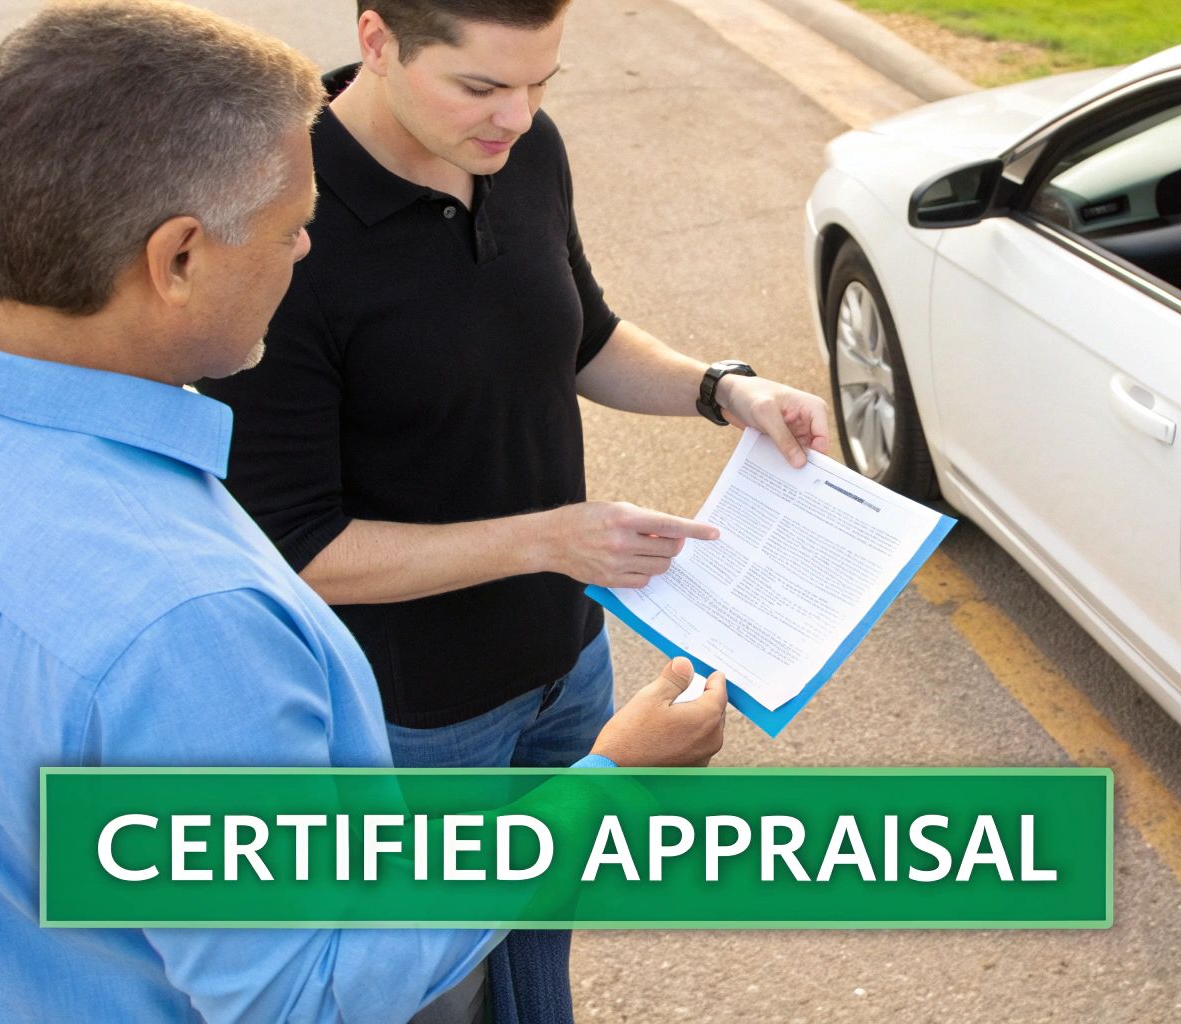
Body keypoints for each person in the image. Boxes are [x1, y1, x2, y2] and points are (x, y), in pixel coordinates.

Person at [0, 3, 727, 1021]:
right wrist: (609, 783)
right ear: (179, 259)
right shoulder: (191, 624)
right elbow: (316, 993)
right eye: (293, 228)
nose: (302, 251)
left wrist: (716, 389)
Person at [195, 1, 830, 1017]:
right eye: (480, 87)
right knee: (438, 981)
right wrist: (547, 538)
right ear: (376, 41)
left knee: (539, 927)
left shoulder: (519, 151)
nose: (516, 118)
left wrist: (723, 390)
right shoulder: (279, 220)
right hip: (414, 712)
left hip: (565, 660)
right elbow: (295, 547)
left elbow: (579, 334)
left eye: (541, 84)